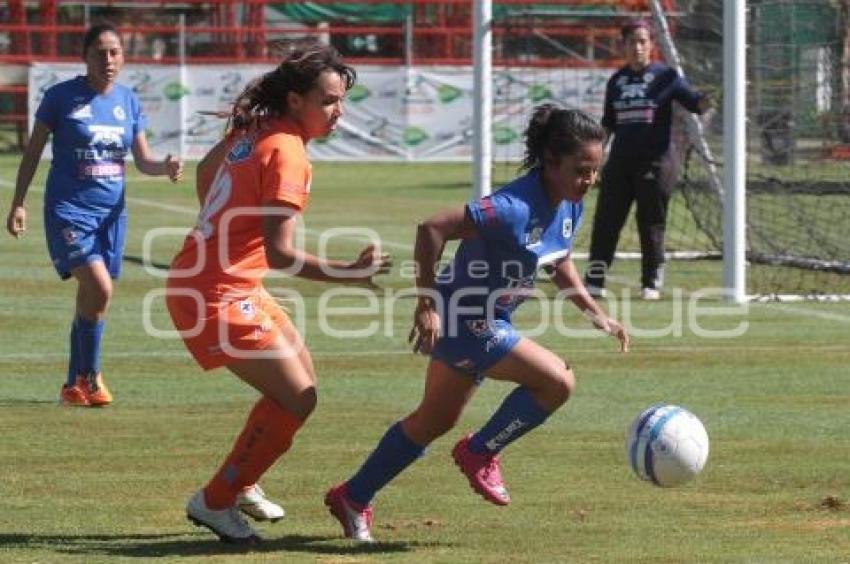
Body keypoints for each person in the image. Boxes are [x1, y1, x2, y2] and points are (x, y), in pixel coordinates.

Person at [325, 105, 630, 542]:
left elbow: (556, 260)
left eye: (595, 170)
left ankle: (352, 497)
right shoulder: (510, 207)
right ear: (550, 161)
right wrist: (426, 305)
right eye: (582, 170)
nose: (590, 180)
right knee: (557, 382)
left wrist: (596, 313)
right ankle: (480, 451)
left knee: (431, 422)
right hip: (464, 318)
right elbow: (432, 228)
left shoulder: (569, 205)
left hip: (489, 318)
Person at [165, 43, 391, 544]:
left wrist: (225, 223)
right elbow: (282, 253)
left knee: (300, 385)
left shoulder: (255, 129)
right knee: (297, 397)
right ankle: (215, 501)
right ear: (295, 101)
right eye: (328, 100)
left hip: (221, 280)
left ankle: (240, 480)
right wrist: (350, 275)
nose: (339, 111)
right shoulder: (287, 151)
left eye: (341, 100)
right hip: (215, 291)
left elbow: (205, 175)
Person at [5, 22, 183, 407]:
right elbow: (33, 152)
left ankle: (74, 384)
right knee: (100, 287)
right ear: (84, 56)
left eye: (115, 52)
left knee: (94, 297)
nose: (108, 59)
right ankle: (92, 375)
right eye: (100, 52)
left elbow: (143, 160)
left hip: (112, 215)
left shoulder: (128, 101)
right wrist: (18, 202)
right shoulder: (60, 98)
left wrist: (164, 166)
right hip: (69, 211)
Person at [584, 18, 711, 300]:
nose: (638, 47)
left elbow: (695, 103)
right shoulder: (617, 81)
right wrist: (594, 155)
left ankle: (651, 281)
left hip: (657, 162)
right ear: (624, 46)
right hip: (620, 163)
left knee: (651, 221)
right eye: (632, 42)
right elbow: (608, 123)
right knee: (606, 221)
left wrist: (710, 98)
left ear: (651, 46)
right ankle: (594, 279)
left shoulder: (666, 77)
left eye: (643, 41)